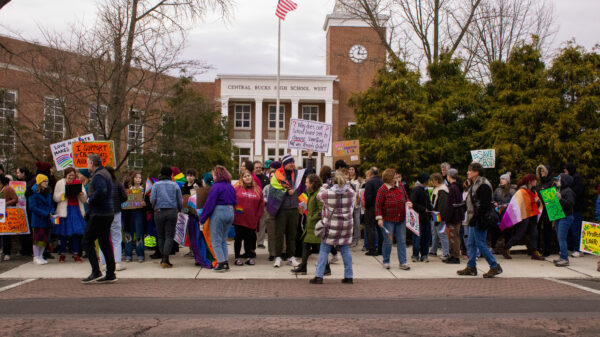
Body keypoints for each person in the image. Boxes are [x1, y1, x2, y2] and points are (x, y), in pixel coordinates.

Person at [266, 152, 313, 268]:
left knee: (292, 234)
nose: (292, 164)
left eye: (293, 162)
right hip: (281, 209)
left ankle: (291, 257)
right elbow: (273, 192)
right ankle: (278, 257)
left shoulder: (297, 175)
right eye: (290, 162)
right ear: (284, 164)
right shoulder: (277, 176)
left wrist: (310, 158)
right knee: (279, 234)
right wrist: (286, 192)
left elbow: (309, 173)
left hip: (294, 209)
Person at [457, 162, 502, 278]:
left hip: (481, 219)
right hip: (474, 218)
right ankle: (471, 266)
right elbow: (473, 201)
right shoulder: (475, 183)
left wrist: (475, 218)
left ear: (476, 172)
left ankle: (494, 266)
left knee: (480, 243)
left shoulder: (483, 185)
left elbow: (484, 205)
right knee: (471, 243)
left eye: (470, 170)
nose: (468, 172)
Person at [310, 173, 356, 284]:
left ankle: (319, 276)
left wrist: (325, 186)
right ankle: (349, 276)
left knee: (324, 250)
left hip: (331, 226)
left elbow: (318, 196)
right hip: (346, 226)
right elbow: (353, 193)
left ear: (332, 182)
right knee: (345, 250)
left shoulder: (327, 193)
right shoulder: (350, 193)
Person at [82, 154, 116, 283]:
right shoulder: (105, 172)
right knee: (104, 243)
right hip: (107, 212)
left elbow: (102, 190)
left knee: (86, 241)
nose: (87, 165)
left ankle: (96, 272)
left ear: (92, 163)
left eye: (87, 163)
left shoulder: (98, 175)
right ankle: (110, 273)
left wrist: (90, 199)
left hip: (99, 213)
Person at [292, 174, 332, 276]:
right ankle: (303, 266)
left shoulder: (318, 194)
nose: (305, 184)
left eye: (307, 182)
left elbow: (321, 210)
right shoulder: (310, 193)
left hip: (316, 226)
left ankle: (326, 268)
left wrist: (311, 217)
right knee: (305, 244)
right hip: (310, 226)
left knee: (320, 248)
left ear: (312, 183)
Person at [199, 165, 236, 272]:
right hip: (230, 212)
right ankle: (225, 262)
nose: (213, 176)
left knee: (215, 240)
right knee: (223, 240)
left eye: (214, 174)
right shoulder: (230, 186)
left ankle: (220, 263)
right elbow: (234, 201)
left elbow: (209, 204)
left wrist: (202, 218)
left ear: (217, 175)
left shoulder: (216, 186)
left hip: (219, 212)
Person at [501, 174, 544, 261]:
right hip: (524, 216)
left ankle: (534, 252)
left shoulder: (533, 191)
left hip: (532, 215)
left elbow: (537, 203)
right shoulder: (522, 191)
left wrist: (537, 202)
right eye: (534, 180)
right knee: (519, 235)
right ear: (530, 181)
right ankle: (506, 248)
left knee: (534, 234)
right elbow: (517, 204)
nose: (536, 181)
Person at [375, 168, 411, 270]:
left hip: (401, 218)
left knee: (402, 241)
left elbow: (406, 197)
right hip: (388, 219)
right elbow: (378, 205)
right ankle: (386, 261)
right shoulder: (382, 189)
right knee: (388, 241)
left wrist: (408, 202)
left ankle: (403, 262)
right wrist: (379, 218)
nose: (397, 176)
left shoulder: (400, 186)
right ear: (390, 177)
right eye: (395, 175)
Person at [150, 166, 183, 268]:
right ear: (170, 175)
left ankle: (162, 257)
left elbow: (152, 199)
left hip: (159, 211)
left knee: (160, 235)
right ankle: (165, 258)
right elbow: (180, 201)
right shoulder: (175, 185)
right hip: (171, 211)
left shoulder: (155, 185)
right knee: (169, 235)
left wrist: (155, 208)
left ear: (161, 174)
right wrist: (179, 209)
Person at [52, 167, 87, 263]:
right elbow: (55, 197)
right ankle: (62, 254)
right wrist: (64, 194)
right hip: (64, 211)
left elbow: (84, 199)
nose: (71, 177)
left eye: (73, 175)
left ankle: (76, 254)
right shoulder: (60, 183)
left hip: (76, 210)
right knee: (63, 233)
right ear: (65, 175)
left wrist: (81, 194)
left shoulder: (78, 183)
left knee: (76, 233)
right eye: (69, 175)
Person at [233, 170, 264, 266]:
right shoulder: (237, 188)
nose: (247, 177)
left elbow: (261, 204)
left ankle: (248, 257)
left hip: (251, 219)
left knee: (249, 239)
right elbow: (233, 202)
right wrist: (237, 212)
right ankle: (237, 257)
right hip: (239, 219)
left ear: (252, 177)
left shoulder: (258, 189)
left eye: (249, 176)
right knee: (238, 239)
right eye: (245, 176)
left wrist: (257, 217)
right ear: (242, 178)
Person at [28, 174, 55, 265]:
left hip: (47, 218)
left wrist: (51, 211)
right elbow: (33, 207)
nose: (46, 183)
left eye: (47, 181)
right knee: (37, 238)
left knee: (45, 239)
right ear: (39, 182)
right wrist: (45, 213)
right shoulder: (33, 192)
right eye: (44, 181)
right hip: (38, 219)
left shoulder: (48, 192)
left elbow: (51, 204)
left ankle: (41, 255)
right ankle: (36, 256)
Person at [123, 171, 146, 262]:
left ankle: (140, 255)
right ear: (133, 179)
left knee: (139, 234)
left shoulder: (144, 190)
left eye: (140, 178)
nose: (138, 179)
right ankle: (128, 255)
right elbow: (124, 202)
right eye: (136, 177)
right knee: (128, 234)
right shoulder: (128, 190)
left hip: (139, 214)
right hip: (129, 214)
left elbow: (147, 203)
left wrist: (144, 203)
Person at [491, 172, 516, 257]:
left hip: (507, 214)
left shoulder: (512, 190)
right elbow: (492, 199)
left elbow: (514, 202)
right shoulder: (497, 190)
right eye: (501, 179)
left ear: (507, 180)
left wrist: (506, 205)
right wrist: (495, 203)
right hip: (498, 213)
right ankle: (493, 247)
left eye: (503, 179)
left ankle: (507, 248)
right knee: (495, 230)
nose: (501, 180)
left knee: (508, 232)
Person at [553, 173, 576, 267]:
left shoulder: (568, 191)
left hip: (566, 217)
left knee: (562, 238)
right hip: (559, 216)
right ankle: (562, 256)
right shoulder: (560, 190)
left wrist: (560, 199)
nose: (557, 181)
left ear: (563, 181)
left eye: (559, 180)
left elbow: (570, 204)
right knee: (560, 237)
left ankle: (565, 259)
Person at [564, 163, 585, 257]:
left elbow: (577, 193)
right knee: (568, 229)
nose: (565, 172)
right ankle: (570, 247)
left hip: (575, 208)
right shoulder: (567, 179)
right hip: (569, 209)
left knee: (576, 228)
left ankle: (578, 249)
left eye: (566, 170)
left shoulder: (577, 179)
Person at [411, 173, 432, 262]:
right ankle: (415, 255)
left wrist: (431, 210)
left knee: (426, 236)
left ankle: (424, 254)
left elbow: (428, 202)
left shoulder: (425, 189)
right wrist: (424, 209)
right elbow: (413, 203)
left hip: (426, 217)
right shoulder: (417, 189)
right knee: (417, 236)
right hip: (418, 216)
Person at [444, 168, 463, 264]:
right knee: (455, 236)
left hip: (454, 217)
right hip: (458, 215)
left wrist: (447, 217)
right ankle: (453, 255)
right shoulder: (458, 187)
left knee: (453, 237)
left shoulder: (452, 188)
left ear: (449, 176)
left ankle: (455, 256)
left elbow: (451, 205)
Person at [429, 173, 449, 260]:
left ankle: (446, 253)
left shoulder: (442, 190)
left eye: (432, 180)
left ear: (437, 180)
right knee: (434, 233)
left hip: (439, 215)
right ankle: (433, 250)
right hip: (434, 213)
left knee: (442, 234)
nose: (431, 182)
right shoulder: (436, 189)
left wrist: (439, 218)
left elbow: (442, 206)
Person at [364, 167, 384, 256]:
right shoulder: (382, 182)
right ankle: (381, 249)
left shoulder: (370, 182)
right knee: (380, 229)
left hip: (371, 207)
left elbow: (367, 197)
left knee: (370, 228)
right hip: (380, 207)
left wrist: (366, 207)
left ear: (371, 174)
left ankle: (372, 249)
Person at [535, 165, 554, 257]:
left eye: (543, 171)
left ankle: (547, 249)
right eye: (540, 171)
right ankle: (537, 248)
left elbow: (552, 197)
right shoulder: (539, 183)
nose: (541, 173)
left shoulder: (551, 183)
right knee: (537, 229)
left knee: (547, 230)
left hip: (548, 208)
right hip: (539, 209)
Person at [15, 166, 34, 257]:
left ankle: (30, 249)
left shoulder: (32, 180)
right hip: (20, 208)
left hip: (29, 208)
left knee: (29, 228)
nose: (17, 175)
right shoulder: (16, 182)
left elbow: (29, 190)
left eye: (18, 173)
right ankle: (24, 248)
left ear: (23, 173)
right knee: (21, 228)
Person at [0, 174, 18, 260]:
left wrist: (5, 204)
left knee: (6, 233)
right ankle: (2, 251)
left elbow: (15, 199)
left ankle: (7, 252)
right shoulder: (1, 188)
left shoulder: (8, 188)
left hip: (6, 213)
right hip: (1, 213)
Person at [255, 161, 271, 249]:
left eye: (259, 167)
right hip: (254, 205)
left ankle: (260, 242)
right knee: (253, 224)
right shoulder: (251, 178)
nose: (258, 169)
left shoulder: (266, 178)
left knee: (262, 223)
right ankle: (252, 241)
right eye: (256, 168)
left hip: (264, 205)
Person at [348, 166, 362, 247]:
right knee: (349, 222)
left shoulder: (359, 180)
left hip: (356, 202)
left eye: (352, 169)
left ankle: (356, 238)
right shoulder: (346, 179)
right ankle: (349, 238)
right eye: (350, 169)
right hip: (349, 203)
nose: (351, 171)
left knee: (357, 221)